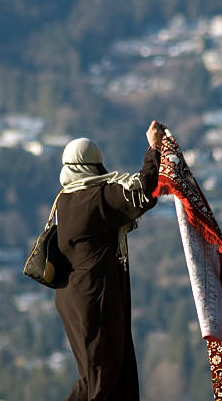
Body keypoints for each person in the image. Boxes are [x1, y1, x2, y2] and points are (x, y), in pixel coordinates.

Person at [55, 121, 165, 400]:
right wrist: (153, 148)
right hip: (96, 296)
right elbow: (143, 191)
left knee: (93, 376)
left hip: (74, 296)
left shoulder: (65, 199)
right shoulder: (94, 199)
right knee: (104, 377)